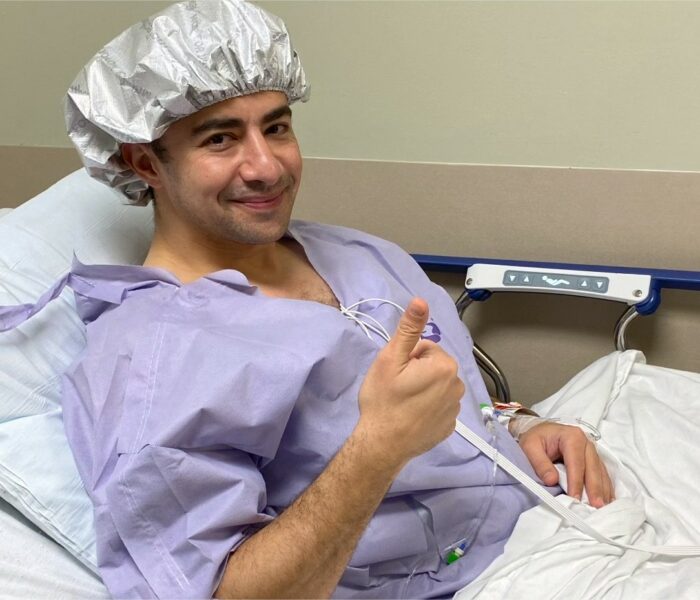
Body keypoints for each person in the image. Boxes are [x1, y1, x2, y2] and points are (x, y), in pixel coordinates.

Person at [13, 1, 612, 598]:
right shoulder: (154, 360)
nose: (267, 167)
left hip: (548, 519)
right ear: (145, 162)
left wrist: (520, 426)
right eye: (220, 139)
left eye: (276, 128)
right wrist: (377, 447)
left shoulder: (359, 253)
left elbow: (451, 399)